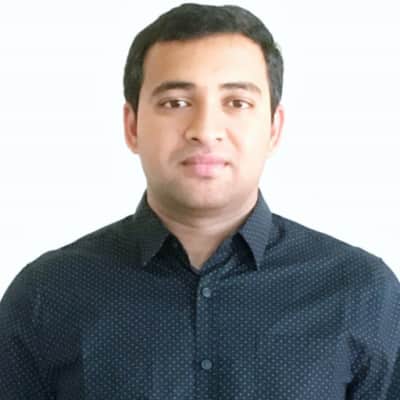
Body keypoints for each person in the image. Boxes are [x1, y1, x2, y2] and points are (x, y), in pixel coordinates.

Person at [0, 3, 399, 399]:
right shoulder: (47, 294)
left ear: (274, 129)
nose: (205, 130)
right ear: (132, 126)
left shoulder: (361, 291)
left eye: (237, 103)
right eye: (175, 103)